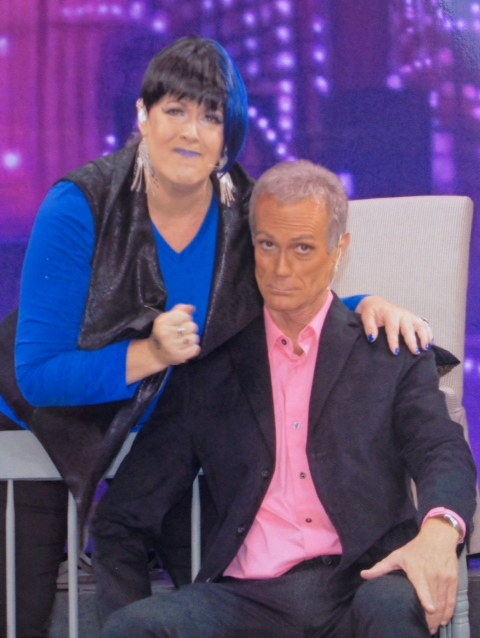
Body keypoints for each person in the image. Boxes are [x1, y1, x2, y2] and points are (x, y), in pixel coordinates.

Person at [0, 38, 433, 638]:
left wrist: (365, 306)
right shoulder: (80, 205)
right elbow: (38, 375)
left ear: (229, 137)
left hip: (167, 432)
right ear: (143, 115)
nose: (191, 131)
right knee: (22, 610)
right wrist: (149, 354)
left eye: (210, 116)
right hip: (48, 424)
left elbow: (289, 287)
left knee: (209, 593)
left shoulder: (244, 212)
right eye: (175, 109)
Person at [91, 160, 477, 638]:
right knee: (136, 629)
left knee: (394, 605)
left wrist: (440, 530)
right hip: (246, 598)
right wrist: (122, 613)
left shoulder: (388, 353)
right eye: (268, 245)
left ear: (339, 251)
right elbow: (123, 514)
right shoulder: (209, 370)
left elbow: (441, 450)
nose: (280, 269)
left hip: (365, 585)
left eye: (303, 248)